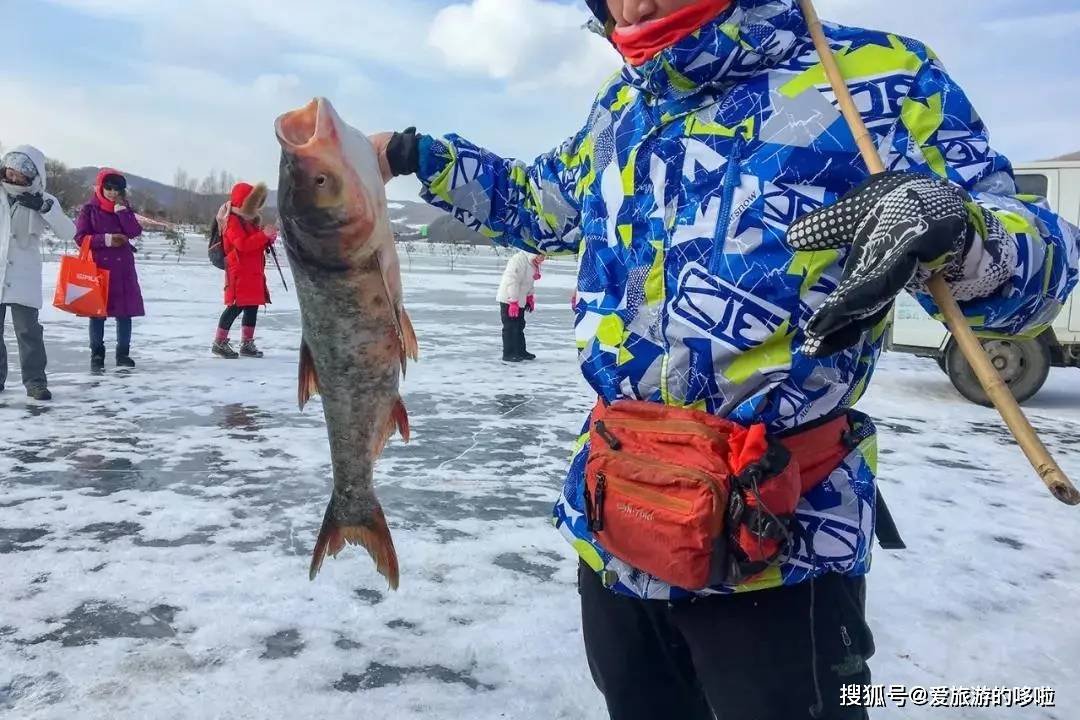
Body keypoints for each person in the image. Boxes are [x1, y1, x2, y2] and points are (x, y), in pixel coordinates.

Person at [372, 1, 1079, 718]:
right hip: (620, 525)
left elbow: (1040, 265)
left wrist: (961, 233)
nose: (632, 5)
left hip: (782, 546)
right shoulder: (620, 109)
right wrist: (411, 154)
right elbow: (539, 205)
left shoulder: (879, 78)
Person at [0, 145, 76, 400]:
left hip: (24, 275)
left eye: (19, 173)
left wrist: (45, 209)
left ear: (32, 174)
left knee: (28, 332)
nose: (12, 177)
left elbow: (68, 232)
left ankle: (35, 382)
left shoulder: (44, 199)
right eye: (9, 171)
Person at [73, 168, 145, 371]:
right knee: (98, 313)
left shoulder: (123, 208)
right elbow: (80, 238)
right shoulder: (89, 209)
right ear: (100, 187)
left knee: (125, 313)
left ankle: (123, 354)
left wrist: (122, 212)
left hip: (123, 268)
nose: (113, 193)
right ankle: (97, 353)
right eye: (109, 188)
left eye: (117, 189)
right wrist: (107, 240)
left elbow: (134, 231)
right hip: (99, 268)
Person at [212, 182, 276, 359]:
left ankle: (247, 343)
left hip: (253, 271)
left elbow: (254, 243)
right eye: (253, 203)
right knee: (235, 307)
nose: (255, 208)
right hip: (239, 272)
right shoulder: (232, 221)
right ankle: (219, 342)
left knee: (252, 306)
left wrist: (267, 238)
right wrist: (263, 235)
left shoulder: (249, 221)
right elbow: (242, 244)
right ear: (244, 202)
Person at [497, 250, 544, 362]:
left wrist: (529, 297)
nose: (543, 259)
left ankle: (520, 351)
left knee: (519, 325)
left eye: (544, 256)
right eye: (541, 255)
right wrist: (513, 301)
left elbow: (529, 282)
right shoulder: (519, 259)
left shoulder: (533, 263)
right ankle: (508, 354)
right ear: (535, 253)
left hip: (520, 298)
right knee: (510, 326)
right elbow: (512, 281)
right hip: (509, 298)